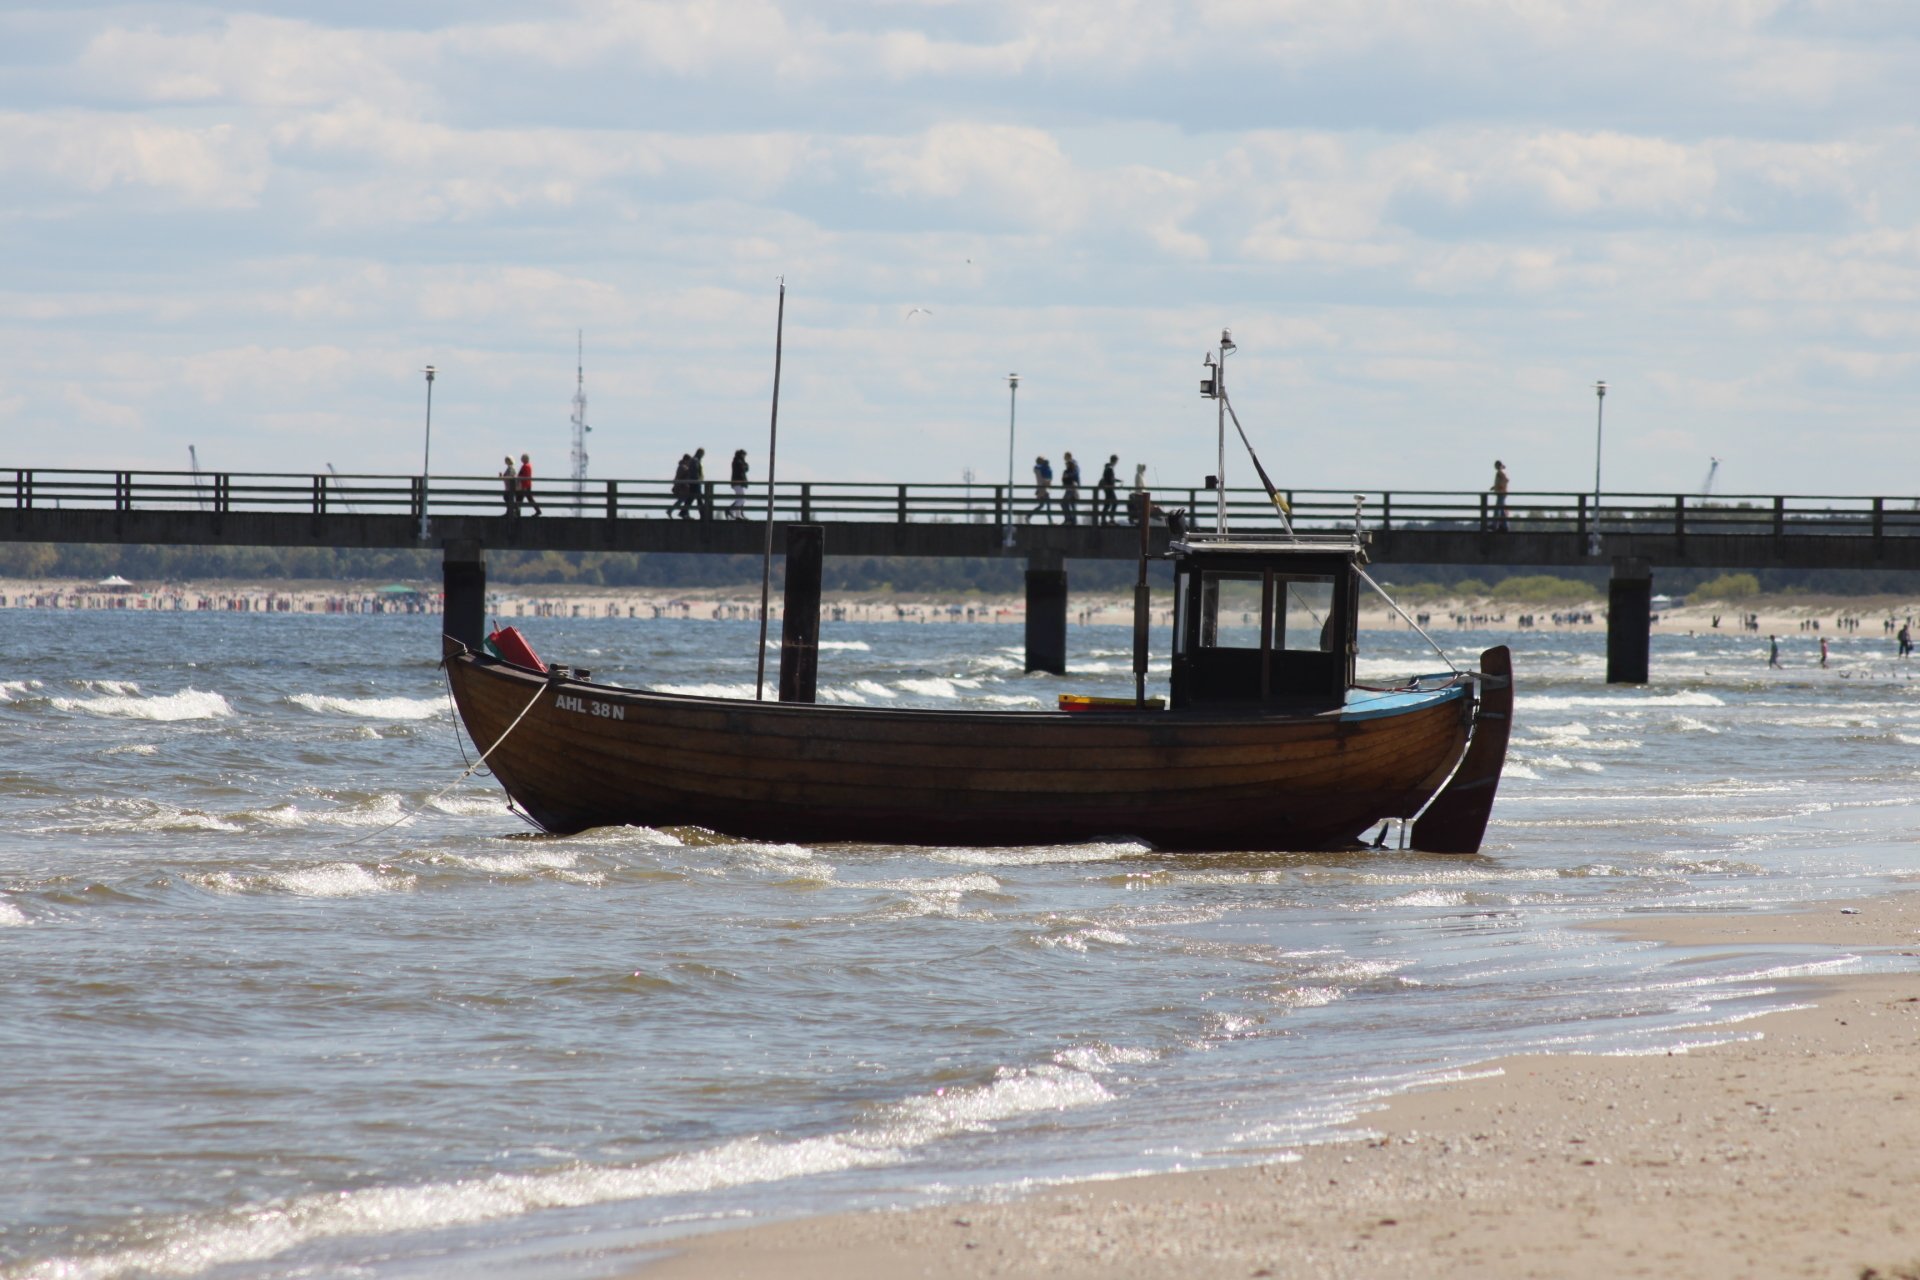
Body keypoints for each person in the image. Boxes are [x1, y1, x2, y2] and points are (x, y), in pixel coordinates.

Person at [669, 453, 695, 519]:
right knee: (684, 500)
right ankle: (672, 511)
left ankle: (684, 513)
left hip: (681, 487)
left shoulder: (682, 466)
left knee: (685, 500)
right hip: (681, 488)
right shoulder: (683, 467)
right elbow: (683, 477)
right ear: (686, 460)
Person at [1097, 455, 1119, 525]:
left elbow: (1108, 477)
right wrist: (1113, 483)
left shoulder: (1108, 467)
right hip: (1109, 488)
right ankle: (1111, 518)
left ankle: (1104, 520)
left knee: (1107, 504)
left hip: (1107, 488)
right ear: (1115, 461)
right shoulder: (1110, 468)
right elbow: (1109, 478)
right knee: (1114, 502)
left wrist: (1117, 480)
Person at [1061, 452, 1081, 525]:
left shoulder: (1073, 463)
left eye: (1065, 456)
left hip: (1071, 487)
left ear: (1068, 456)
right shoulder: (1073, 464)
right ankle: (1073, 521)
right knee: (1072, 504)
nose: (1064, 458)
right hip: (1072, 487)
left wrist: (1067, 476)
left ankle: (1068, 519)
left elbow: (1075, 473)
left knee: (1064, 503)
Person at [727, 448, 749, 520]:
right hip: (738, 483)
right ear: (741, 455)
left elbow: (745, 469)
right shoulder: (738, 461)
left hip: (737, 483)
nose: (744, 457)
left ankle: (738, 515)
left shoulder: (736, 461)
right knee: (742, 499)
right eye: (744, 455)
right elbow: (744, 469)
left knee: (739, 499)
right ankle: (731, 510)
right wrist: (745, 464)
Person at [1489, 460, 1510, 532]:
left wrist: (1501, 486)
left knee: (1498, 509)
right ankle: (1503, 526)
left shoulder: (1500, 472)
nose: (1495, 467)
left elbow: (1506, 480)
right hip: (1501, 493)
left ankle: (1495, 525)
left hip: (1501, 493)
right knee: (1501, 510)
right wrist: (1494, 487)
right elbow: (1501, 481)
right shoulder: (1500, 472)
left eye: (1496, 465)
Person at [1031, 455, 1053, 523]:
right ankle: (1050, 521)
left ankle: (1029, 516)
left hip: (1043, 488)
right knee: (1047, 505)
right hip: (1042, 488)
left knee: (1042, 505)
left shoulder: (1039, 468)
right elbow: (1043, 477)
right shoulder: (1038, 468)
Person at [692, 447, 710, 520]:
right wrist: (699, 479)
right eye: (702, 454)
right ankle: (703, 515)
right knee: (699, 499)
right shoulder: (695, 460)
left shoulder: (695, 460)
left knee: (692, 498)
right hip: (696, 482)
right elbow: (695, 471)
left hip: (695, 482)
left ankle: (683, 512)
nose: (703, 455)